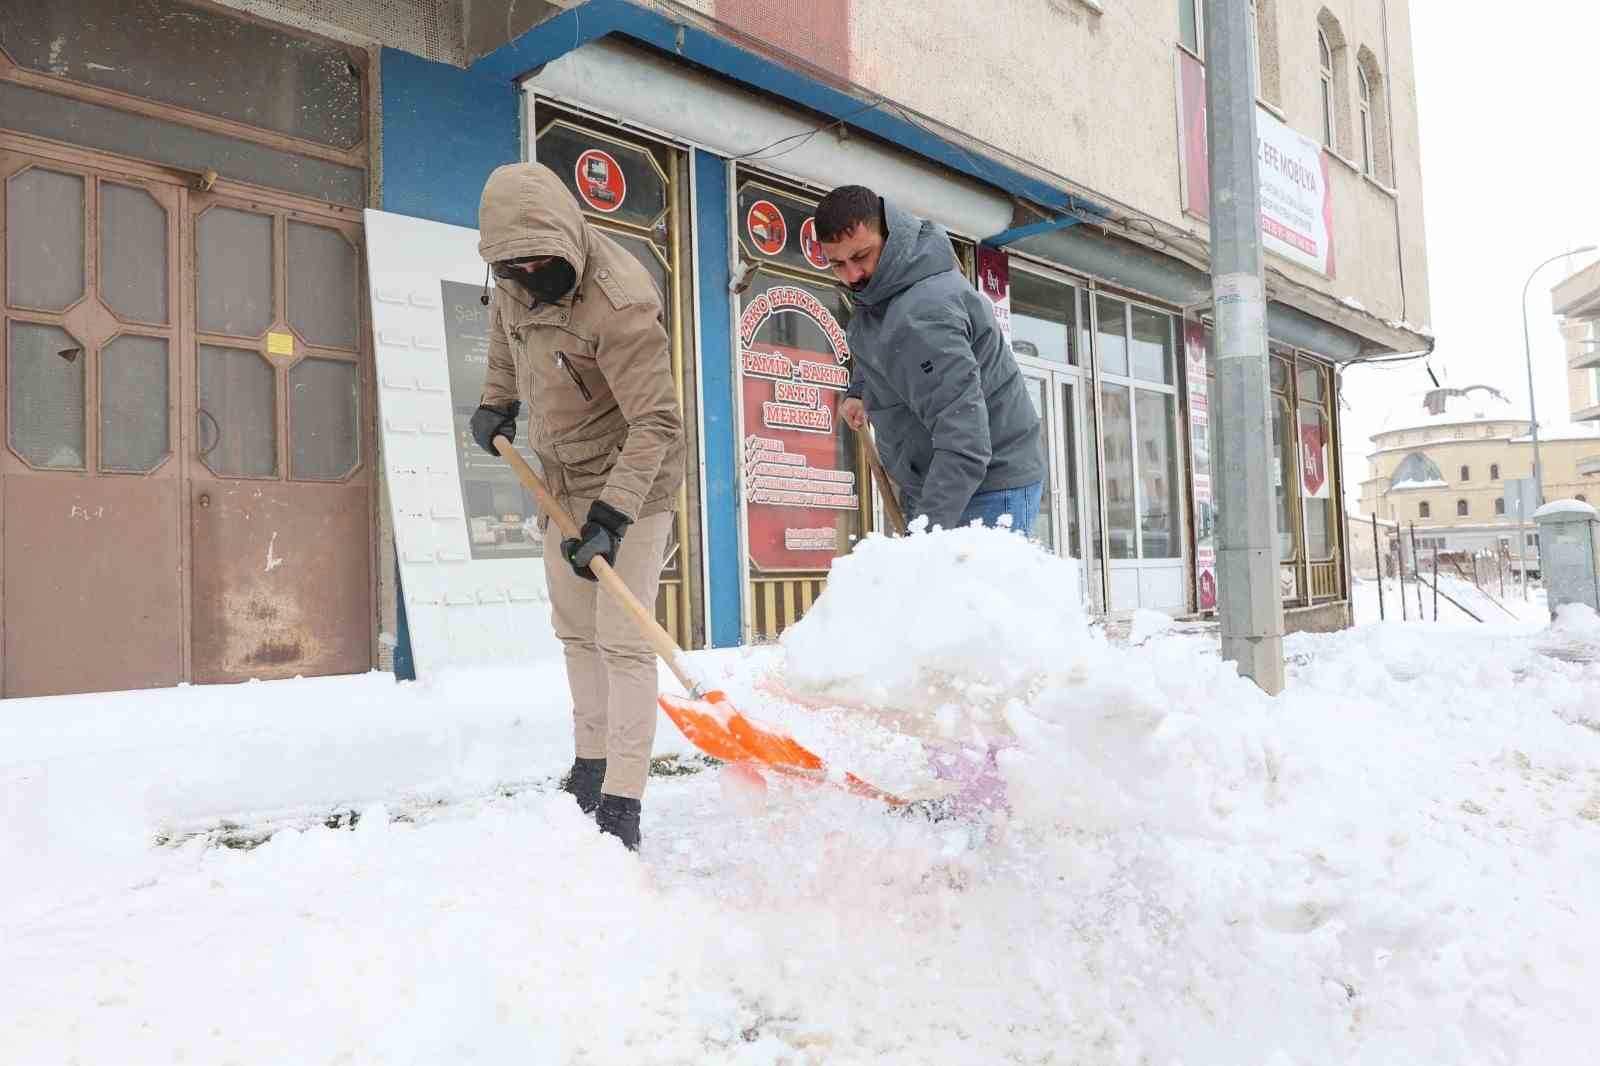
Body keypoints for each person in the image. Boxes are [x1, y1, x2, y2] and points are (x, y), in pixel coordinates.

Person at [469, 162, 684, 851]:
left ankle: (623, 797)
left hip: (634, 481)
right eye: (517, 266)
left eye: (539, 261)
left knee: (622, 640)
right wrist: (496, 401)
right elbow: (507, 344)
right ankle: (590, 764)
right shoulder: (513, 281)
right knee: (574, 630)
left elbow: (657, 423)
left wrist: (612, 517)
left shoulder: (619, 301)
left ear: (564, 240)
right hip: (561, 478)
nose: (529, 275)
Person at [815, 185, 1044, 535]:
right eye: (837, 264)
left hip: (985, 489)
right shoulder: (887, 289)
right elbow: (881, 343)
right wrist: (861, 390)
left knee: (972, 592)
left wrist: (925, 532)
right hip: (936, 481)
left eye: (861, 256)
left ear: (889, 237)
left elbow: (964, 440)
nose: (852, 275)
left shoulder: (925, 315)